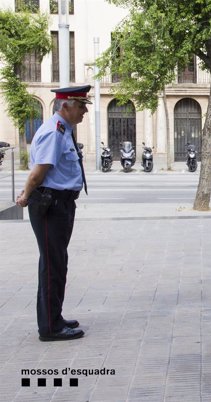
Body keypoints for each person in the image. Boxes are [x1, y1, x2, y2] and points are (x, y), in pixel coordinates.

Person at [15, 85, 91, 342]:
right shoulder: (54, 132)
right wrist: (25, 195)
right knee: (52, 266)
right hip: (51, 205)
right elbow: (39, 171)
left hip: (60, 204)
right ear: (66, 106)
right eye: (81, 106)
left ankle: (54, 317)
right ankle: (49, 327)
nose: (84, 112)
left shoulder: (63, 130)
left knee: (58, 263)